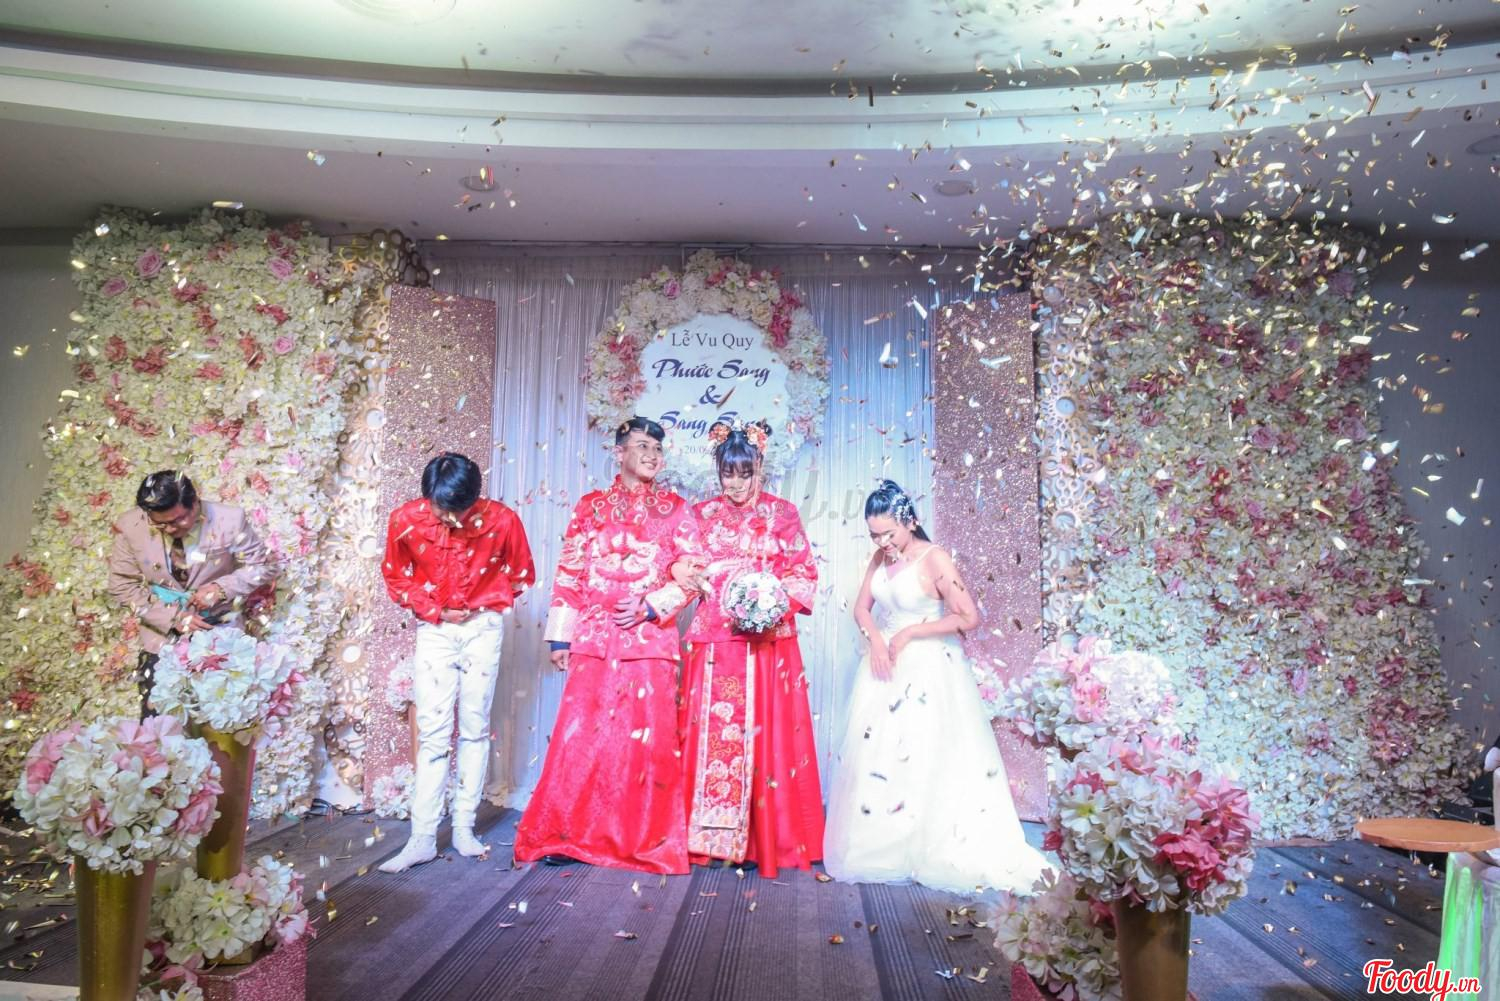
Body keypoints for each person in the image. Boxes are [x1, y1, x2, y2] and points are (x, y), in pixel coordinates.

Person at [823, 480, 1048, 895]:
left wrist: (911, 632)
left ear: (910, 521)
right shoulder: (880, 557)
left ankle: (927, 841)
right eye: (875, 535)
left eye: (889, 533)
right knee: (880, 754)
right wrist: (876, 640)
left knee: (923, 752)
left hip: (928, 667)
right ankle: (883, 844)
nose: (883, 542)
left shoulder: (935, 558)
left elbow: (968, 617)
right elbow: (862, 609)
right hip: (883, 666)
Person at [513, 417, 703, 874]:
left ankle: (643, 840)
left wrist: (651, 606)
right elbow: (570, 571)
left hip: (649, 641)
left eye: (657, 448)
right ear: (619, 453)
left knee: (646, 745)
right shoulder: (590, 508)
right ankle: (567, 834)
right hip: (594, 638)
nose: (652, 455)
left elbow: (694, 574)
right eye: (642, 446)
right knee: (581, 739)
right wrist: (561, 635)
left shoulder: (677, 510)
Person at [678, 420, 823, 877]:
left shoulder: (783, 514)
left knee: (765, 737)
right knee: (709, 735)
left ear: (760, 466)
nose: (736, 484)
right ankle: (708, 839)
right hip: (714, 642)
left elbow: (803, 573)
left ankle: (764, 840)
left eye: (745, 473)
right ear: (718, 471)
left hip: (764, 645)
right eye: (728, 474)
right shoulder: (700, 515)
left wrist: (771, 603)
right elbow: (683, 574)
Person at [378, 452, 535, 873]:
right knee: (432, 731)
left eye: (456, 511)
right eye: (439, 508)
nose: (446, 519)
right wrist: (434, 609)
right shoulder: (405, 520)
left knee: (474, 726)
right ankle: (422, 838)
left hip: (483, 628)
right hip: (435, 629)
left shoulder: (503, 521)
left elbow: (522, 574)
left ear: (474, 500)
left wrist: (482, 604)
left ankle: (464, 827)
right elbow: (395, 575)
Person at [107, 470, 277, 717]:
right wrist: (172, 617)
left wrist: (221, 589)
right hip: (161, 638)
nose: (169, 529)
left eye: (178, 520)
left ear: (195, 501)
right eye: (159, 523)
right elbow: (121, 585)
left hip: (220, 631)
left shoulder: (229, 519)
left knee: (225, 718)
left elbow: (265, 566)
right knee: (161, 723)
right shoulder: (130, 525)